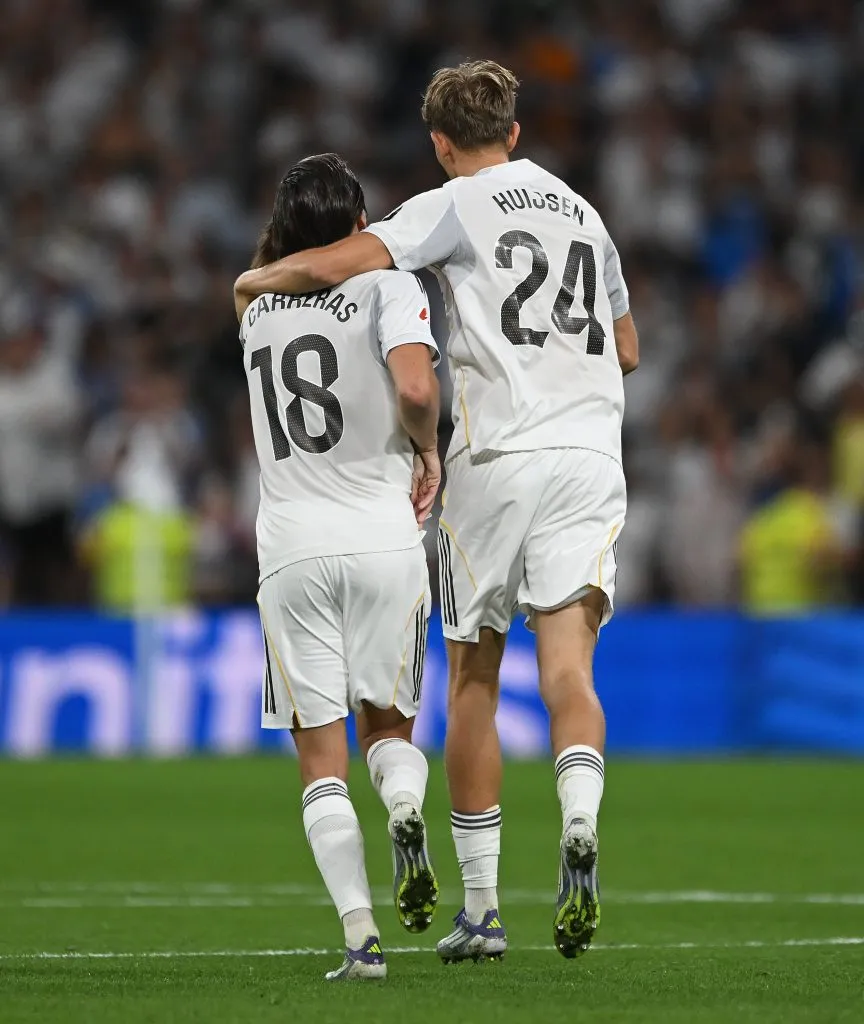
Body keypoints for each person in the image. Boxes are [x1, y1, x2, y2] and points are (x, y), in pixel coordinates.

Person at [235, 63, 639, 964]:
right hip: (589, 455)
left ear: (441, 143)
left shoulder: (452, 202)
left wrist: (260, 280)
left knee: (474, 677)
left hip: (496, 458)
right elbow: (627, 347)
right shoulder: (587, 214)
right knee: (570, 672)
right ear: (516, 132)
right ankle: (579, 819)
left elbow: (343, 261)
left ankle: (483, 911)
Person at [234, 153, 443, 981]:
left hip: (291, 549)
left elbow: (267, 280)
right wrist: (428, 451)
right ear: (361, 225)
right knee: (387, 730)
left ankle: (361, 939)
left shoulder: (253, 305)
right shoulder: (392, 287)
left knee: (321, 765)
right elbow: (417, 391)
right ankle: (404, 806)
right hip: (384, 536)